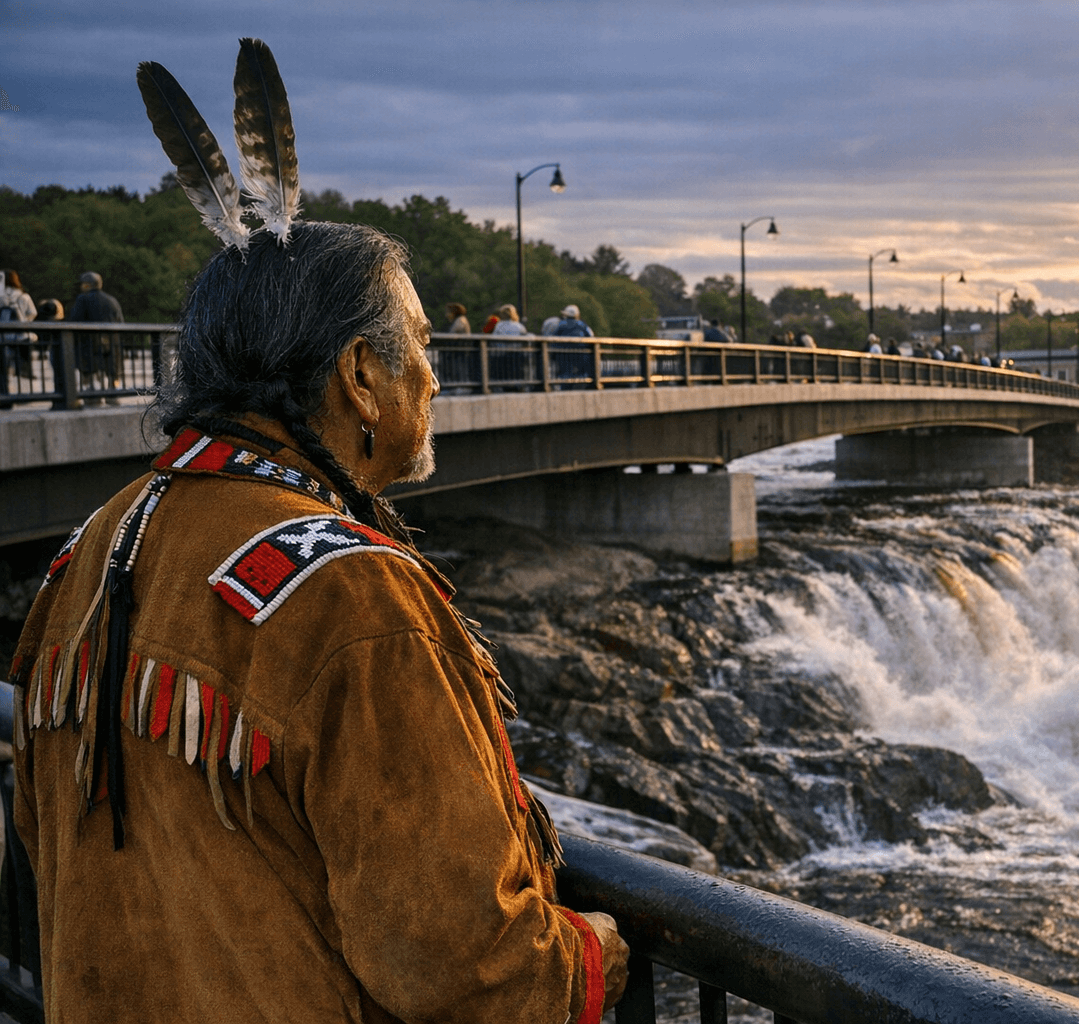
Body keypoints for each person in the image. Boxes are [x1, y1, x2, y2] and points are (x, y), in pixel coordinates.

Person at [10, 41, 626, 1024]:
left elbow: (46, 847)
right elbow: (466, 968)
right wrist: (590, 956)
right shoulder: (352, 597)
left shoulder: (93, 546)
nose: (435, 375)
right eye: (420, 346)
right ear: (358, 377)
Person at [67, 271, 125, 401]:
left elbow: (75, 320)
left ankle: (93, 396)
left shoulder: (83, 299)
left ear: (88, 285)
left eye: (83, 284)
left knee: (91, 369)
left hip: (90, 341)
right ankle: (112, 395)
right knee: (111, 368)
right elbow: (120, 322)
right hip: (111, 341)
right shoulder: (112, 300)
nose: (81, 286)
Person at [1, 269, 38, 392]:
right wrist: (24, 322)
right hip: (21, 336)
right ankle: (23, 392)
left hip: (4, 336)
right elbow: (33, 313)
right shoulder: (24, 296)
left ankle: (7, 391)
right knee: (22, 366)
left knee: (5, 366)